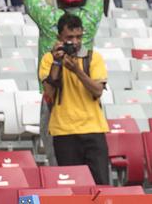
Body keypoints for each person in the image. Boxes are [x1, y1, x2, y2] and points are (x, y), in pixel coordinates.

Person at [39, 13, 109, 185]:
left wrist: (77, 71)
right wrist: (57, 62)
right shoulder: (49, 59)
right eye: (70, 37)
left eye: (78, 37)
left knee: (100, 184)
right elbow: (49, 92)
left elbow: (97, 90)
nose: (75, 42)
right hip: (64, 131)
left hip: (93, 128)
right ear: (59, 38)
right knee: (72, 187)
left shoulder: (93, 58)